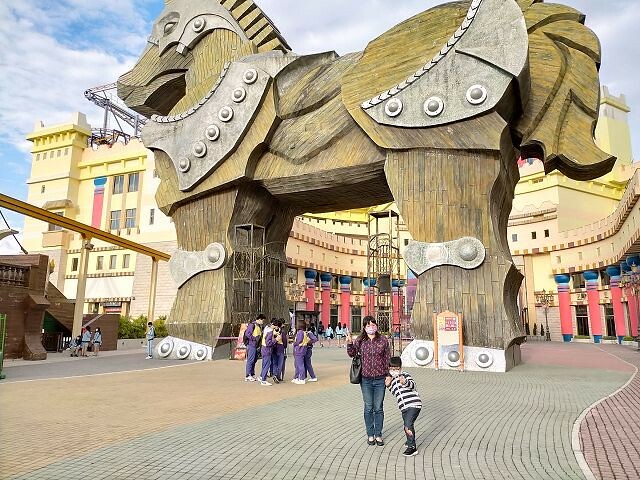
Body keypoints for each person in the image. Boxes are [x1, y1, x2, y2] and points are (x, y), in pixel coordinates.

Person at [346, 316, 390, 446]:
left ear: (376, 326)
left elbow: (387, 358)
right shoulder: (360, 340)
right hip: (366, 379)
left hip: (380, 379)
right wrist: (349, 343)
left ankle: (378, 434)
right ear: (364, 328)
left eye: (373, 325)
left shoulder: (383, 340)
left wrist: (389, 375)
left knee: (378, 408)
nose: (371, 327)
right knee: (369, 407)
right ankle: (370, 435)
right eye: (368, 325)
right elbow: (352, 354)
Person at [385, 356, 422, 457]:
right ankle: (410, 441)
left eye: (396, 369)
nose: (394, 371)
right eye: (392, 369)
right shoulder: (392, 379)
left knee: (408, 425)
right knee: (407, 424)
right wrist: (388, 385)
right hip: (404, 407)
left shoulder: (405, 375)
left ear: (400, 368)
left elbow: (413, 385)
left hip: (414, 404)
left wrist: (405, 382)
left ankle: (412, 447)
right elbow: (395, 393)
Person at [258, 318, 280, 386]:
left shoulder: (267, 327)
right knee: (267, 364)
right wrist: (276, 339)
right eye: (276, 326)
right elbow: (268, 343)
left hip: (263, 348)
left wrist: (274, 334)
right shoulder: (270, 331)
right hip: (267, 349)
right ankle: (263, 380)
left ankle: (261, 377)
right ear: (274, 325)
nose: (276, 328)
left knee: (264, 364)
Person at [244, 313, 265, 382]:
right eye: (262, 320)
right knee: (250, 360)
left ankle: (251, 374)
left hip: (255, 345)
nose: (263, 322)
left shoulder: (258, 326)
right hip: (251, 345)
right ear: (259, 319)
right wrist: (254, 339)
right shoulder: (252, 325)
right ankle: (248, 375)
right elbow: (247, 334)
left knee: (254, 360)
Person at [292, 320, 311, 384]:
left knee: (300, 365)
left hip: (299, 350)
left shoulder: (300, 332)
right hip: (302, 349)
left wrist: (294, 343)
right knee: (298, 364)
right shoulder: (304, 332)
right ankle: (297, 377)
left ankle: (302, 379)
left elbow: (299, 341)